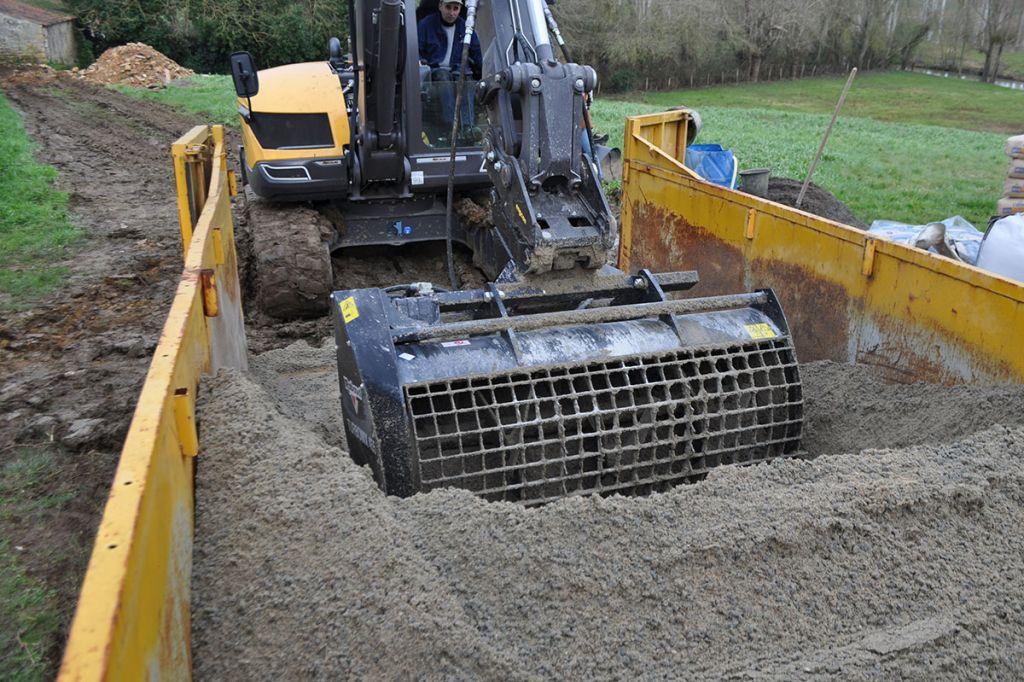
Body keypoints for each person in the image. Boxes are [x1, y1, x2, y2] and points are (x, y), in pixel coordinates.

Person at [417, 0, 482, 138]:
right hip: (434, 72)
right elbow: (416, 50)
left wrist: (481, 77)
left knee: (466, 77)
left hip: (457, 71)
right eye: (448, 7)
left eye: (455, 8)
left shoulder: (466, 28)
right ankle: (451, 126)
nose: (452, 13)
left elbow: (476, 55)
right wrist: (421, 62)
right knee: (443, 76)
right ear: (440, 6)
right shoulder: (425, 25)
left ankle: (468, 127)